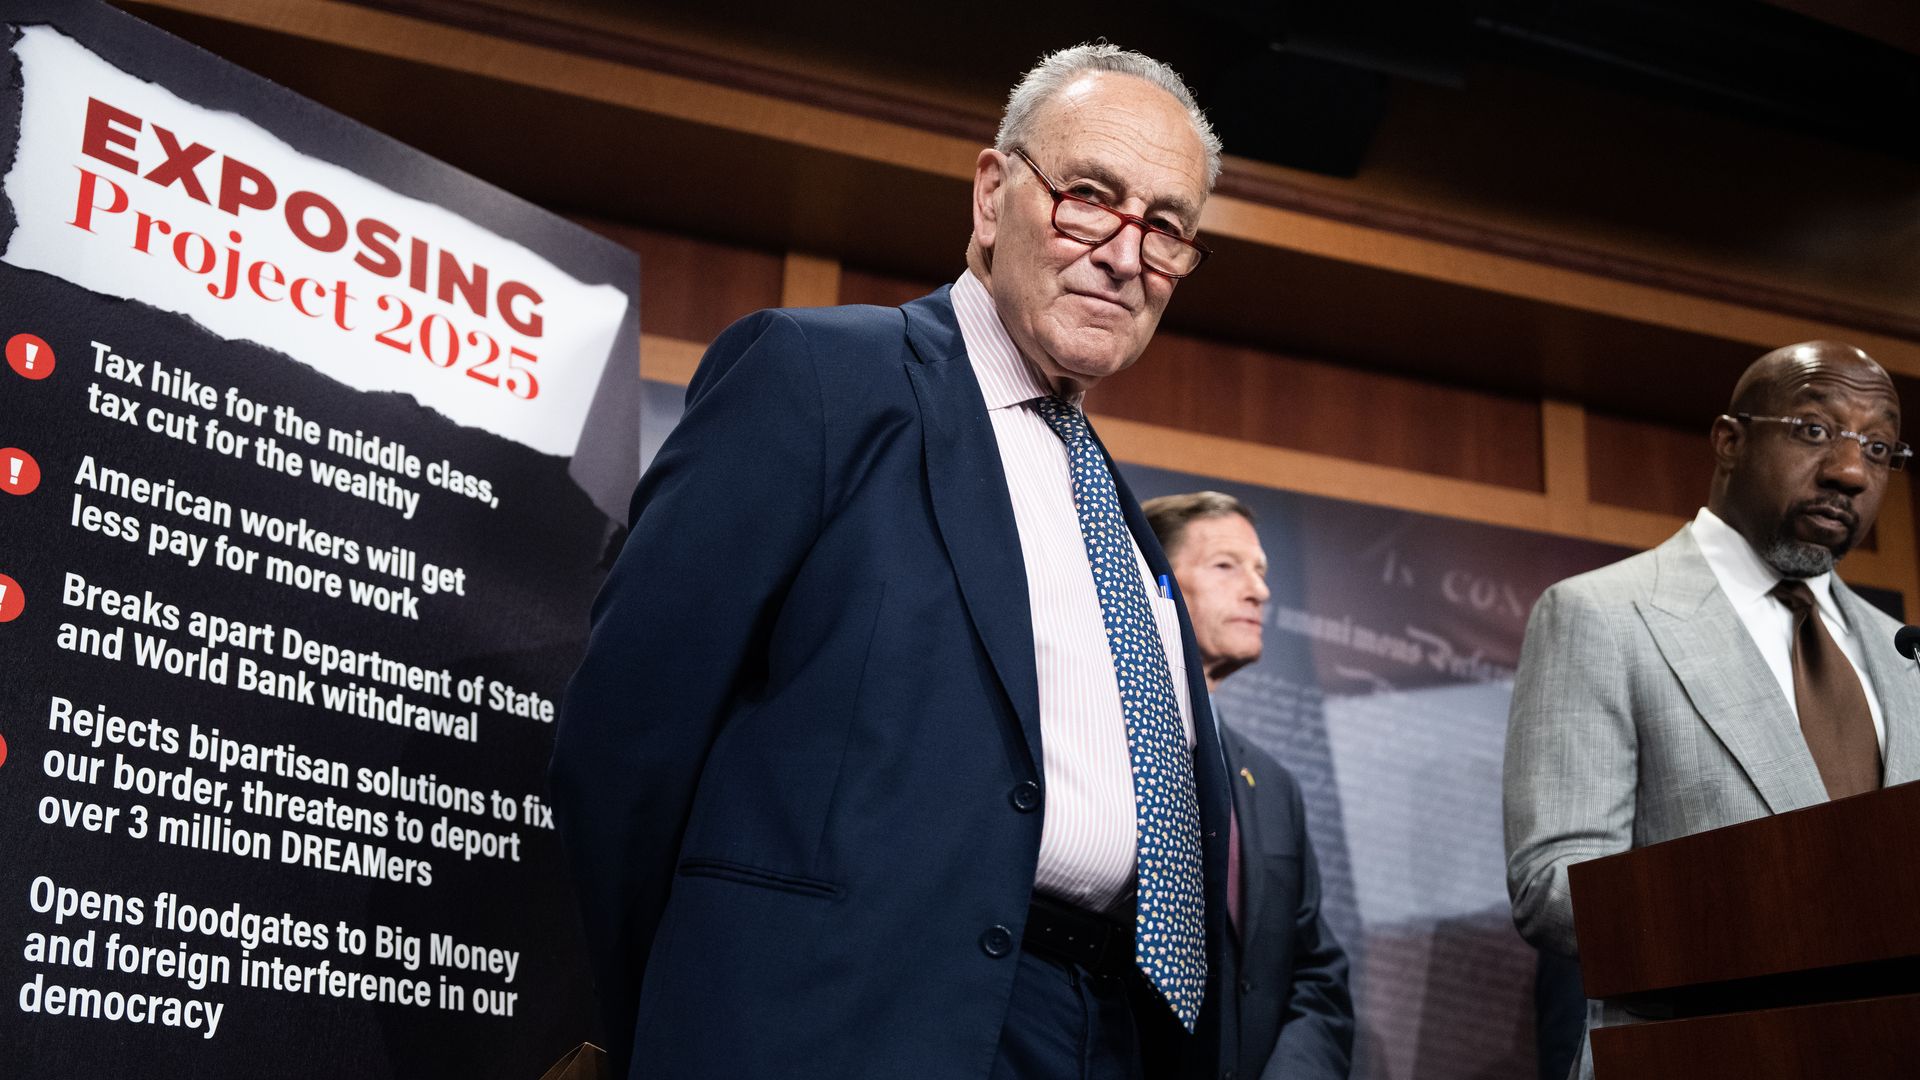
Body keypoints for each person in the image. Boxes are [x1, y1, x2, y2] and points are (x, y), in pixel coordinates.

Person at [551, 44, 1234, 1080]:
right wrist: (693, 1024)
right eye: (1090, 197)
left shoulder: (1118, 518)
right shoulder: (818, 378)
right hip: (825, 1032)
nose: (1125, 252)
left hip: (1100, 1036)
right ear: (993, 194)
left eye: (1167, 227)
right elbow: (624, 744)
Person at [1503, 340, 1920, 1077]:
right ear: (1729, 441)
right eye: (1815, 431)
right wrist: (1800, 914)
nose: (1851, 473)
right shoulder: (1603, 615)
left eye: (1880, 448)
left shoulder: (1906, 655)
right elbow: (1554, 885)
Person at [1144, 491, 1354, 1080]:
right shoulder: (1097, 752)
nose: (1259, 591)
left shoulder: (1273, 787)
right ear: (1150, 581)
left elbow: (1314, 972)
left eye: (1261, 571)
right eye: (1225, 566)